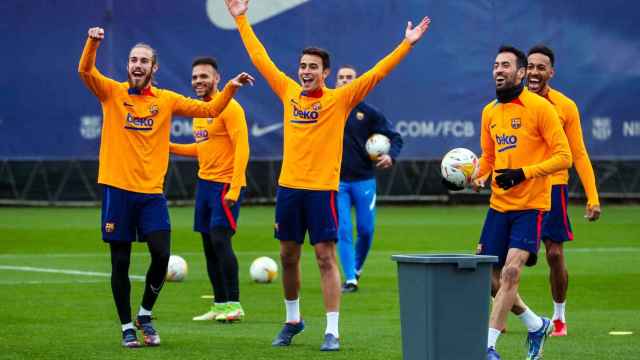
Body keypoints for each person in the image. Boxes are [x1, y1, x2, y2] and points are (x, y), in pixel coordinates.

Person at [224, 0, 430, 351]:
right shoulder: (289, 92)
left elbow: (377, 73)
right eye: (303, 66)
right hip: (289, 189)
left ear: (326, 73)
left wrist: (406, 44)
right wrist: (242, 19)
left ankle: (332, 330)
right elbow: (261, 59)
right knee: (288, 256)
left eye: (313, 67)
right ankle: (293, 320)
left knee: (324, 257)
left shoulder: (340, 100)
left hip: (321, 191)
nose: (305, 71)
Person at [78, 27, 254, 348]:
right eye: (133, 59)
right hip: (117, 190)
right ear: (128, 65)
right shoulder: (112, 93)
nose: (138, 64)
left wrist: (229, 88)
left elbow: (210, 109)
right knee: (121, 262)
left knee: (161, 256)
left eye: (144, 60)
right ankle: (127, 326)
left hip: (151, 194)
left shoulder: (167, 100)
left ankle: (145, 313)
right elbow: (85, 70)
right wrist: (93, 42)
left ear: (154, 68)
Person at [470, 45, 572, 360]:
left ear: (521, 72)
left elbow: (564, 156)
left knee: (512, 272)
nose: (498, 70)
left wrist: (524, 173)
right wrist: (478, 176)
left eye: (505, 65)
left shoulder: (541, 108)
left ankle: (488, 347)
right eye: (495, 64)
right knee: (489, 276)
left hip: (532, 205)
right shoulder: (490, 111)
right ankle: (534, 322)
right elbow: (488, 156)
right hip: (499, 206)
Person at [526, 45, 601, 337]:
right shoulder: (511, 103)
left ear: (551, 72)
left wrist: (593, 198)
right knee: (509, 257)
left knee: (554, 255)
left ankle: (558, 317)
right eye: (530, 66)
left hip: (553, 184)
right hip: (520, 186)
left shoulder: (565, 106)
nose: (534, 72)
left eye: (540, 67)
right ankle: (506, 312)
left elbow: (579, 154)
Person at [169, 57, 250, 323]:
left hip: (225, 185)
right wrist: (169, 146)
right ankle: (219, 305)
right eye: (194, 77)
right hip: (204, 185)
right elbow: (202, 148)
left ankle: (234, 304)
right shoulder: (200, 112)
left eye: (204, 76)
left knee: (220, 241)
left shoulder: (231, 109)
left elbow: (242, 148)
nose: (198, 81)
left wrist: (236, 187)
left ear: (217, 78)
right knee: (208, 246)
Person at [334, 65, 403, 293]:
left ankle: (357, 268)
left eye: (349, 77)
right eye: (341, 77)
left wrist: (390, 157)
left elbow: (395, 137)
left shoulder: (369, 113)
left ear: (359, 83)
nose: (345, 81)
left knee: (365, 229)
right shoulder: (328, 109)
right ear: (335, 82)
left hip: (364, 180)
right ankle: (350, 278)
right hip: (336, 182)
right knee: (343, 229)